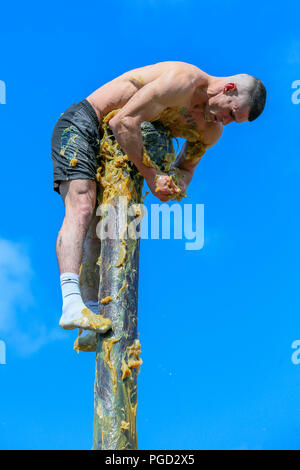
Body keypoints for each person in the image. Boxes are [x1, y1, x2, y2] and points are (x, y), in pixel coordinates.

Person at [51, 61, 266, 334]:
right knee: (82, 207)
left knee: (103, 225)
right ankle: (71, 302)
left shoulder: (209, 131)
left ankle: (91, 314)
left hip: (121, 144)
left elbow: (186, 169)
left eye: (234, 121)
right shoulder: (183, 82)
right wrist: (153, 177)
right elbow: (123, 121)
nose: (225, 122)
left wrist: (174, 184)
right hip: (86, 123)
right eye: (231, 114)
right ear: (229, 89)